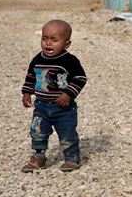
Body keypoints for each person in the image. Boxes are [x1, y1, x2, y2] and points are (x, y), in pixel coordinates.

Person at [21, 20, 87, 172]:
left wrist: (68, 94)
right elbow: (31, 76)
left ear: (66, 44)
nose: (48, 43)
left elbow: (80, 78)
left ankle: (71, 157)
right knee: (37, 132)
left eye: (54, 40)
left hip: (63, 108)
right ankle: (39, 157)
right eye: (45, 38)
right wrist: (27, 92)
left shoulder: (69, 61)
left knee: (67, 132)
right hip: (41, 106)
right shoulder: (38, 59)